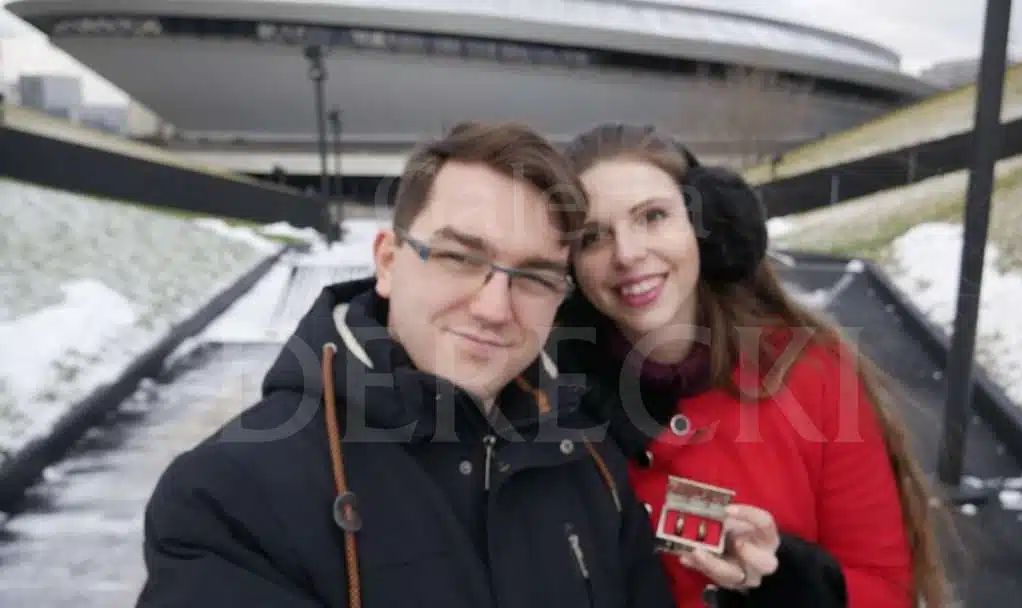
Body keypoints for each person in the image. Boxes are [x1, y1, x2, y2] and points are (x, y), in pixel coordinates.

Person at [135, 122, 676, 608]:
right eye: (460, 258)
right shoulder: (230, 496)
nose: (493, 309)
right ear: (389, 263)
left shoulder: (589, 462)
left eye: (534, 277)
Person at [551, 123, 947, 608]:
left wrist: (785, 581)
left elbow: (886, 591)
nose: (627, 254)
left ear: (708, 226)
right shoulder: (546, 405)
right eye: (593, 237)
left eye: (652, 216)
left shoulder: (812, 374)